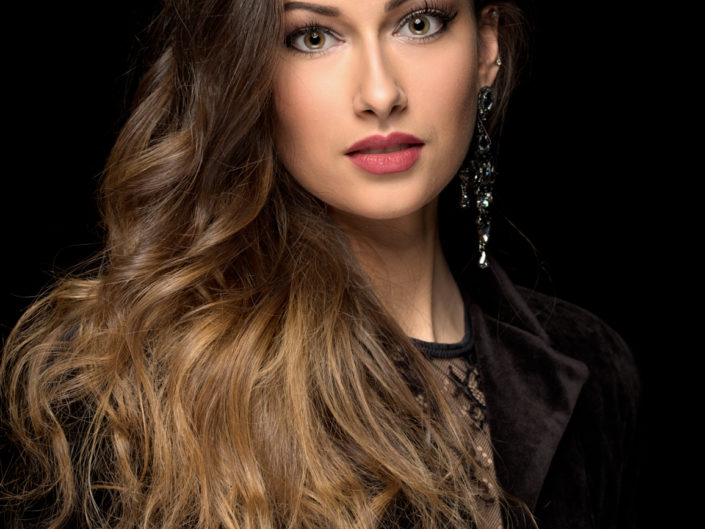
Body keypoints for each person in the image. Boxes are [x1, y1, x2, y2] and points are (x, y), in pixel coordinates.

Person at [0, 1, 639, 528]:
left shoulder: (593, 368)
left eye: (419, 23)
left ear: (486, 48)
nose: (380, 93)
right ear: (248, 68)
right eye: (313, 37)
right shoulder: (120, 384)